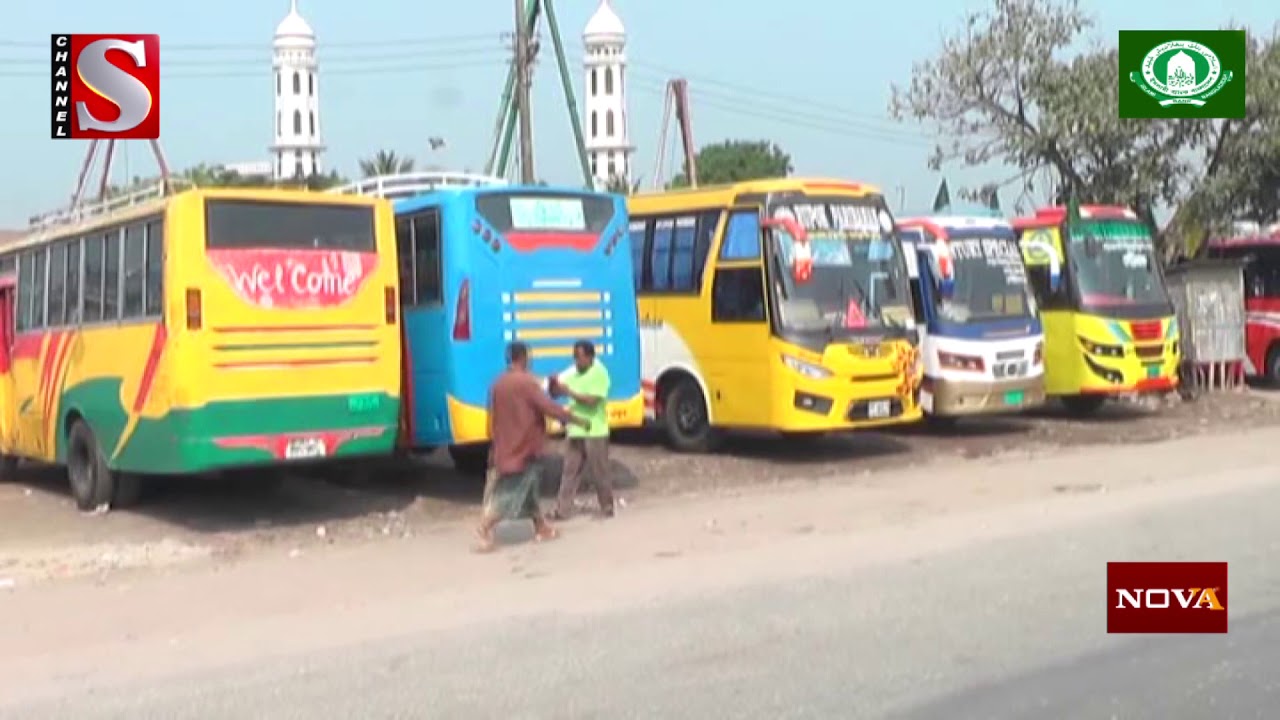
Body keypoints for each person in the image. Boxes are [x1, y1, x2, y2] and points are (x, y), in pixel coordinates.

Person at [474, 341, 588, 553]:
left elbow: (493, 417)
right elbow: (548, 407)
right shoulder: (526, 383)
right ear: (523, 358)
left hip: (506, 444)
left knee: (530, 489)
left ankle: (541, 527)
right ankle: (485, 527)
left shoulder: (498, 383)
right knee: (513, 492)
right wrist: (573, 418)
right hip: (523, 447)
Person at [548, 340, 614, 520]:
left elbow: (592, 401)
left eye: (580, 357)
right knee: (570, 472)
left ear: (590, 357)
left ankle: (607, 506)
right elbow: (556, 393)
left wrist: (569, 392)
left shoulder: (599, 373)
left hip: (595, 430)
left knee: (599, 471)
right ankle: (562, 510)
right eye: (575, 357)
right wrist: (554, 385)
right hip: (575, 429)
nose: (577, 361)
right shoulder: (572, 373)